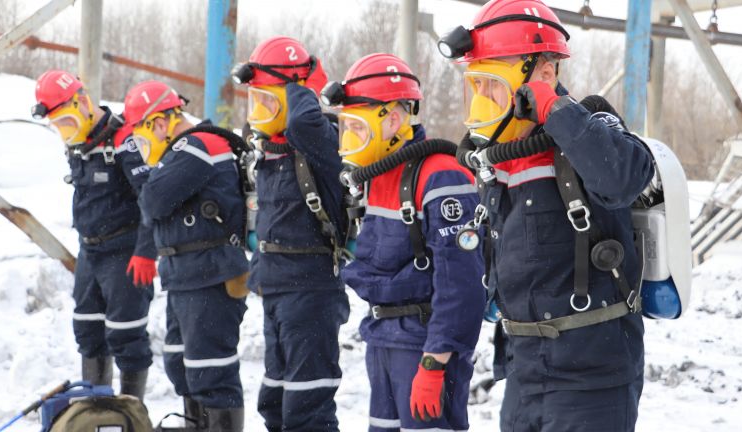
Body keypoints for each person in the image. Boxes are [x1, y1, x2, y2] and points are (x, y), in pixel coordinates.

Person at [438, 1, 655, 430]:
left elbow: (625, 176)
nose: (483, 101)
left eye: (492, 85)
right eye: (476, 86)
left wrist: (553, 108)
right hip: (523, 372)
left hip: (591, 378)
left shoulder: (589, 124)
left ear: (544, 74)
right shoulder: (499, 156)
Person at [321, 53, 486, 431]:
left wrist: (434, 363)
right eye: (346, 128)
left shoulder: (440, 175)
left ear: (392, 119)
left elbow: (461, 285)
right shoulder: (375, 176)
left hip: (424, 346)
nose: (349, 140)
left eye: (357, 128)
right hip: (383, 339)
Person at [232, 36, 350, 432]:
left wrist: (302, 83)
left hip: (311, 292)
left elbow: (302, 119)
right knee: (275, 403)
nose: (259, 113)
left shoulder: (318, 142)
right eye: (256, 101)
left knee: (308, 408)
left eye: (269, 100)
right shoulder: (270, 151)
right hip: (278, 288)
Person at [123, 80, 249, 431]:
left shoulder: (196, 145)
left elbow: (153, 201)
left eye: (142, 136)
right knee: (182, 365)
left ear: (160, 123)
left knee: (211, 372)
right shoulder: (182, 151)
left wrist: (153, 184)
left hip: (210, 273)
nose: (141, 147)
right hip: (187, 273)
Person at [32, 70, 155, 400]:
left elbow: (151, 200)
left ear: (82, 102)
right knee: (88, 330)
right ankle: (97, 410)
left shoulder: (124, 140)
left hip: (125, 251)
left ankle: (131, 412)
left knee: (126, 334)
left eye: (68, 122)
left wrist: (146, 251)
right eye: (59, 127)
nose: (65, 133)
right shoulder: (78, 145)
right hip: (90, 251)